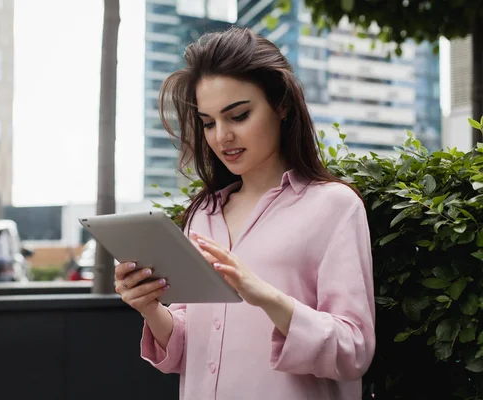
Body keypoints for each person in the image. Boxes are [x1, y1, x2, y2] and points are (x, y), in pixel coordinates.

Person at [114, 26, 375, 400]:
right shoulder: (203, 214)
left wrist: (266, 296)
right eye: (208, 122)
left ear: (281, 105)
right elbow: (192, 343)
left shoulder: (334, 206)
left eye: (238, 116)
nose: (222, 137)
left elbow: (354, 351)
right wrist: (151, 308)